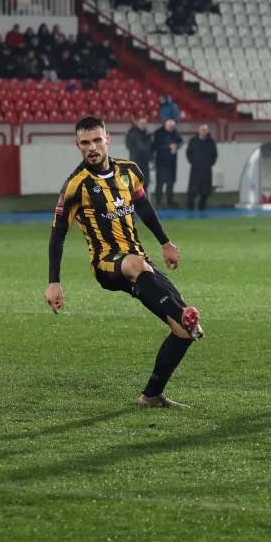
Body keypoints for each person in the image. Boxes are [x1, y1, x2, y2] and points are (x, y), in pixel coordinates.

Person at [45, 116, 203, 409]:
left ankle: (152, 395)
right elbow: (58, 235)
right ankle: (182, 314)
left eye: (97, 140)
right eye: (85, 143)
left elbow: (144, 206)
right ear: (77, 145)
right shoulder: (75, 186)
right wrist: (54, 282)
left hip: (139, 262)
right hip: (107, 264)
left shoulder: (130, 172)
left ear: (108, 139)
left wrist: (165, 243)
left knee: (183, 332)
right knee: (139, 268)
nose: (92, 147)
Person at [186, 124, 217, 211]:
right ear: (198, 131)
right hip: (196, 169)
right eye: (202, 129)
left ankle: (202, 206)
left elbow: (214, 154)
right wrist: (193, 162)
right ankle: (190, 207)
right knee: (193, 190)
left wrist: (209, 164)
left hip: (207, 169)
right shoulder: (193, 140)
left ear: (207, 131)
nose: (203, 131)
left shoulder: (211, 141)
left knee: (206, 190)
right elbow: (188, 153)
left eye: (205, 130)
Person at [153, 118, 182, 207]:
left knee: (171, 183)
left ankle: (170, 201)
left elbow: (180, 141)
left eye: (172, 126)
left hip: (172, 162)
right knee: (160, 183)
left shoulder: (175, 132)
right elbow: (156, 146)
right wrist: (169, 146)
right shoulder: (158, 133)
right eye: (169, 126)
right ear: (165, 125)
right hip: (161, 162)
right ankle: (158, 202)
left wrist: (176, 146)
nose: (171, 127)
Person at [125, 116, 153, 184]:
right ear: (138, 123)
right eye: (142, 123)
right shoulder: (132, 133)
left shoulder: (148, 134)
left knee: (145, 182)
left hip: (145, 161)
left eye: (145, 123)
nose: (143, 125)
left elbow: (150, 147)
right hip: (136, 161)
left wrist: (151, 157)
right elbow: (129, 145)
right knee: (136, 182)